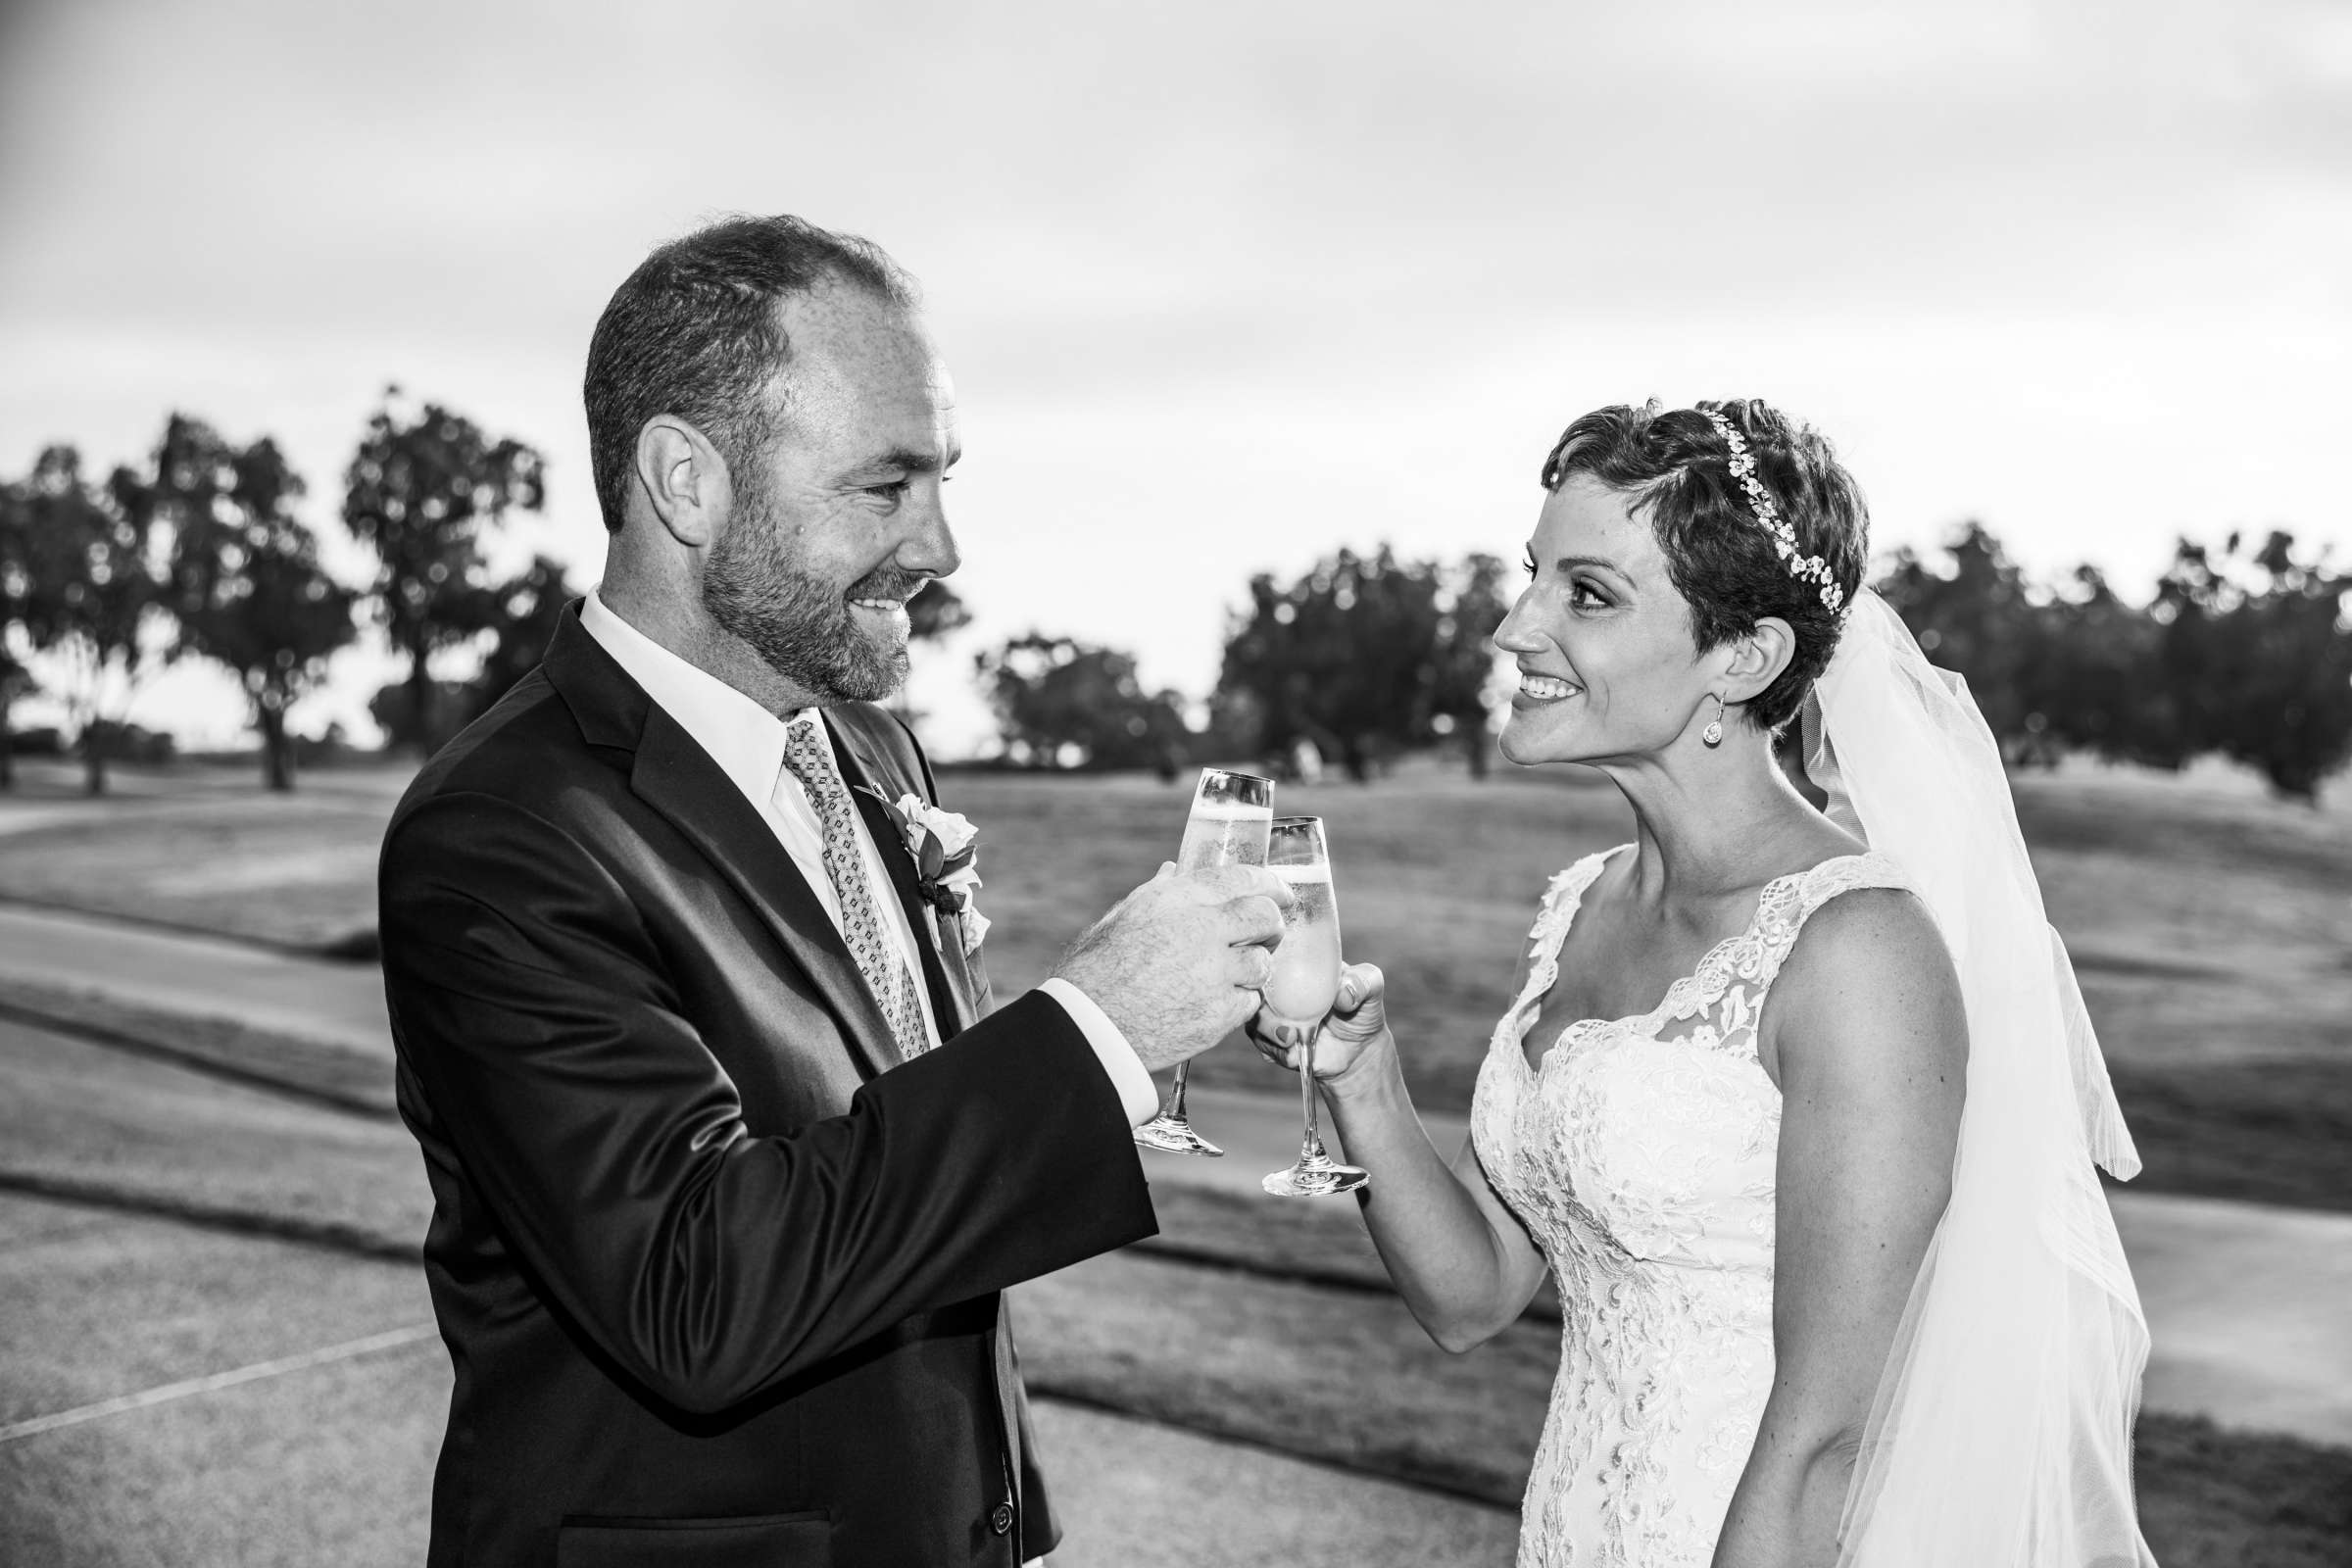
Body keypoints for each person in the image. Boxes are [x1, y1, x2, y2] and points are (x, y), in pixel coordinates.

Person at [377, 214, 1290, 1568]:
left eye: (944, 478)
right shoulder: (503, 835)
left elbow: (908, 1178)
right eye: (886, 485)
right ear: (686, 481)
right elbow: (701, 1289)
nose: (942, 544)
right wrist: (1098, 1030)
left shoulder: (870, 748)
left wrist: (1008, 1519)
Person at [1260, 399, 2155, 1566]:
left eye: (1587, 593)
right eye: (1531, 575)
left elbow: (1828, 1439)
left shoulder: (1856, 951)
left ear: (1745, 655)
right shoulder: (1582, 904)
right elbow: (1472, 1297)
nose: (1512, 625)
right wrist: (1362, 1080)